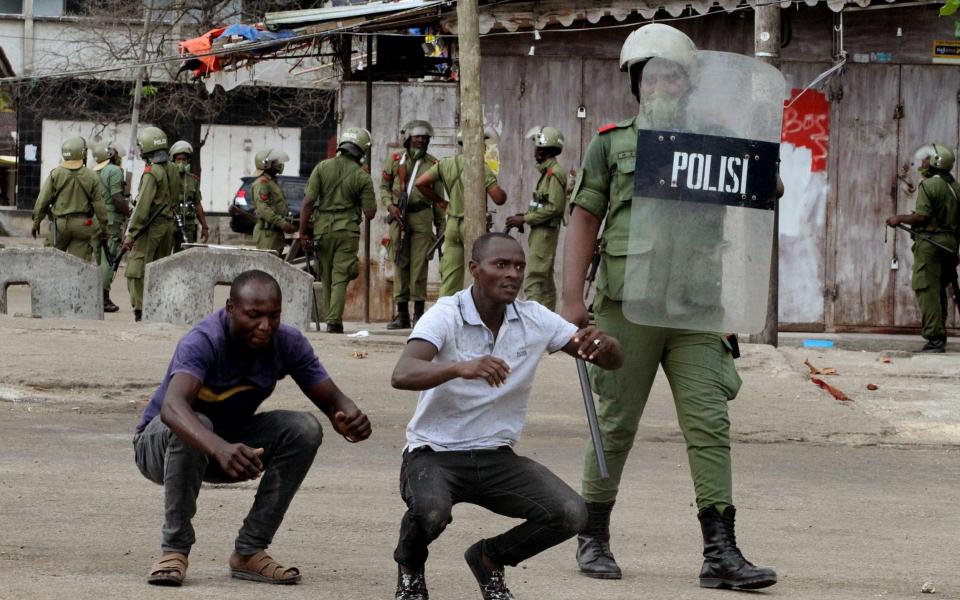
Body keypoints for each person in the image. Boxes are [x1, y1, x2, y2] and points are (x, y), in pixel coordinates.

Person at [560, 24, 777, 590]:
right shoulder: (612, 143)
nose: (661, 82)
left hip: (697, 310)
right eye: (651, 74)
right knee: (614, 424)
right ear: (637, 83)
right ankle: (593, 536)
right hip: (626, 306)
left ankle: (720, 552)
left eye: (672, 73)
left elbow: (764, 192)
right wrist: (569, 300)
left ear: (688, 83)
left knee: (710, 425)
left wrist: (763, 169)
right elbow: (584, 217)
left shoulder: (716, 141)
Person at [390, 232, 624, 600]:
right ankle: (410, 565)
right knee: (431, 511)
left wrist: (608, 348)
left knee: (571, 513)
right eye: (501, 265)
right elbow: (403, 373)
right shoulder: (447, 314)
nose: (513, 274)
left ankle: (489, 559)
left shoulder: (534, 319)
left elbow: (601, 357)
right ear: (474, 270)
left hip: (495, 455)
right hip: (433, 453)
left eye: (518, 266)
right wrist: (460, 367)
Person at [133, 269, 372, 587]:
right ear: (230, 308)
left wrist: (349, 417)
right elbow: (173, 408)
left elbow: (333, 400)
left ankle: (249, 552)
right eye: (254, 315)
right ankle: (174, 550)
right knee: (195, 421)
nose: (265, 326)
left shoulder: (287, 342)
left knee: (304, 428)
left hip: (228, 445)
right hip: (159, 447)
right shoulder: (203, 341)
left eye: (274, 316)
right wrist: (219, 447)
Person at [297, 127, 377, 334]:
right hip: (347, 232)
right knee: (341, 275)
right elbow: (370, 213)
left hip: (322, 230)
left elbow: (307, 202)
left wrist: (303, 232)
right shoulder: (362, 177)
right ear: (361, 150)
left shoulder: (322, 167)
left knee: (325, 275)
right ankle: (334, 321)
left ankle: (329, 318)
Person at [887, 143, 960, 353]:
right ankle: (939, 334)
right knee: (939, 290)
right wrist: (956, 251)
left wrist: (898, 218)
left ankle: (935, 339)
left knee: (927, 289)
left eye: (927, 159)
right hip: (949, 244)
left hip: (931, 244)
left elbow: (922, 216)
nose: (923, 162)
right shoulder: (956, 187)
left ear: (936, 162)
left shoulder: (929, 185)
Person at [415, 131, 508, 297]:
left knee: (450, 280)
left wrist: (442, 202)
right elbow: (498, 198)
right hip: (473, 225)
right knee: (482, 273)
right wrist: (501, 190)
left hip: (451, 226)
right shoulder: (481, 168)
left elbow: (420, 183)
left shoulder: (445, 164)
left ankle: (445, 319)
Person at [381, 120, 446, 329]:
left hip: (422, 216)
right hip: (399, 216)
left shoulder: (434, 164)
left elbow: (438, 198)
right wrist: (390, 206)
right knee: (400, 263)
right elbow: (384, 187)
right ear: (408, 138)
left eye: (425, 138)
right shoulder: (395, 161)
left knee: (420, 266)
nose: (421, 141)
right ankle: (401, 315)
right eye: (417, 137)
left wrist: (441, 226)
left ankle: (419, 314)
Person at [121, 126, 180, 322]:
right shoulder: (172, 169)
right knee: (160, 267)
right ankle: (158, 307)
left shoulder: (151, 172)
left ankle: (140, 309)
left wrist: (131, 234)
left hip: (151, 227)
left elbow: (143, 207)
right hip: (168, 225)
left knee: (137, 269)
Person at [505, 126, 567, 310]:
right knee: (545, 278)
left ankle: (532, 318)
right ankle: (548, 318)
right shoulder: (547, 173)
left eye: (538, 149)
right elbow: (543, 204)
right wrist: (524, 216)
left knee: (534, 275)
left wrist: (525, 219)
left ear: (546, 150)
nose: (535, 153)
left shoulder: (553, 173)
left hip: (545, 232)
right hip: (541, 230)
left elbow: (554, 208)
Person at [31, 137, 109, 265]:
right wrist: (104, 229)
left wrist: (36, 222)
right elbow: (99, 206)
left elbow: (42, 201)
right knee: (79, 265)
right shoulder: (92, 176)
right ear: (83, 153)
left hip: (60, 225)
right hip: (83, 225)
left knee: (51, 262)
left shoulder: (55, 174)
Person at [92, 140, 131, 313]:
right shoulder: (114, 171)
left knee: (98, 259)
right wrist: (128, 211)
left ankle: (95, 295)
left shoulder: (93, 171)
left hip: (95, 218)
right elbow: (117, 197)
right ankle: (104, 296)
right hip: (111, 221)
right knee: (109, 259)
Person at [252, 148, 296, 254]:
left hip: (274, 232)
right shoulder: (263, 183)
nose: (279, 164)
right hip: (267, 234)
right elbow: (263, 208)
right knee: (266, 266)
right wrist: (282, 223)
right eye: (275, 161)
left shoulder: (271, 182)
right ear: (266, 164)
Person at [169, 140, 209, 249]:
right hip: (170, 224)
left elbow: (197, 204)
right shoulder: (167, 178)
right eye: (178, 159)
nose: (181, 162)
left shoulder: (193, 180)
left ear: (188, 161)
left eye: (184, 159)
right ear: (173, 160)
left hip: (188, 225)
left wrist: (204, 226)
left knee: (185, 255)